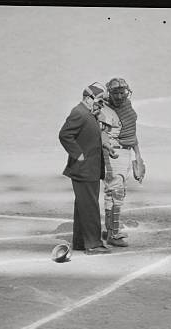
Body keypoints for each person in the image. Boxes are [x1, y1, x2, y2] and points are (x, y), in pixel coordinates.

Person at [58, 83, 111, 255]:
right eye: (99, 100)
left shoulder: (89, 113)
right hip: (84, 168)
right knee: (90, 207)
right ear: (88, 99)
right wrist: (78, 155)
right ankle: (94, 244)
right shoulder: (79, 113)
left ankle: (80, 242)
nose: (101, 104)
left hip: (90, 168)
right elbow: (65, 135)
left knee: (83, 205)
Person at [97, 77, 144, 247]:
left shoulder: (127, 106)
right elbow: (102, 134)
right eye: (116, 93)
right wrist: (108, 149)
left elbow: (131, 132)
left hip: (126, 151)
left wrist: (138, 156)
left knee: (119, 192)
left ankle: (111, 229)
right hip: (113, 153)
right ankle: (112, 234)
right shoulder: (104, 108)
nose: (119, 96)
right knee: (114, 192)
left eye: (122, 92)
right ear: (110, 93)